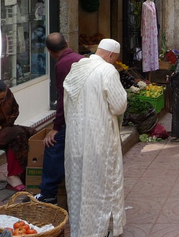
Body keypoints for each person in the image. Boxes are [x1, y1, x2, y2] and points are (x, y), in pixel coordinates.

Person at [63, 38, 127, 237]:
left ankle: (80, 230)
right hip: (99, 139)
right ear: (110, 55)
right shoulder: (107, 71)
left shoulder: (76, 69)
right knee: (101, 185)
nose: (114, 62)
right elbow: (118, 105)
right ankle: (97, 231)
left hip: (75, 139)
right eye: (115, 59)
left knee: (78, 187)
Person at [35, 32, 84, 204]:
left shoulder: (63, 64)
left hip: (76, 118)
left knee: (53, 145)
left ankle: (48, 194)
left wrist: (56, 128)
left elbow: (63, 98)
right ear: (67, 42)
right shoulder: (80, 58)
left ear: (48, 51)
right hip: (87, 115)